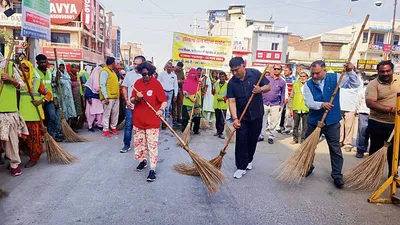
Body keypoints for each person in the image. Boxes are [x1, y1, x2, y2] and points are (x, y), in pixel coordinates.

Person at [303, 60, 360, 188]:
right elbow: (309, 103)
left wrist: (350, 70)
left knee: (335, 149)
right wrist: (321, 104)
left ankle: (337, 175)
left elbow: (354, 83)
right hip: (315, 122)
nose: (315, 76)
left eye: (317, 73)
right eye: (312, 73)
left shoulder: (335, 78)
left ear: (324, 70)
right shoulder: (307, 85)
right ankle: (307, 166)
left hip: (332, 121)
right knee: (308, 147)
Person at [227, 57, 271, 179]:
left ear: (243, 66)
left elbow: (268, 86)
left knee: (252, 139)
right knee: (241, 141)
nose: (235, 73)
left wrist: (260, 89)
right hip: (242, 117)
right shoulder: (231, 83)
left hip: (257, 114)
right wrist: (235, 119)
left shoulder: (255, 73)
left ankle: (249, 160)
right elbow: (231, 102)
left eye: (237, 70)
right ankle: (241, 167)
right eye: (232, 71)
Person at [130, 62, 167, 182]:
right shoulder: (137, 83)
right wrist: (137, 98)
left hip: (152, 121)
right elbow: (132, 100)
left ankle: (153, 169)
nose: (146, 76)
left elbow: (164, 101)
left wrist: (161, 110)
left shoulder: (156, 84)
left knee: (152, 145)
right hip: (138, 120)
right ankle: (143, 161)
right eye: (143, 74)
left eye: (148, 73)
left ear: (152, 73)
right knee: (140, 144)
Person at [365, 60, 400, 177]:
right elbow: (370, 103)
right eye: (382, 71)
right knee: (376, 149)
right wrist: (391, 110)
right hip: (377, 123)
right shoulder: (373, 84)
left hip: (396, 124)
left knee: (395, 151)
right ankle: (372, 175)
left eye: (388, 71)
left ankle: (393, 174)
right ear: (378, 72)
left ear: (392, 71)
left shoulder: (399, 80)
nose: (385, 73)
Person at [19, 60, 52, 168]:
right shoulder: (18, 82)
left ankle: (34, 158)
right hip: (20, 115)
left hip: (34, 116)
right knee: (18, 139)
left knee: (34, 139)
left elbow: (48, 94)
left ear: (31, 69)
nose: (24, 71)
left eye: (26, 68)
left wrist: (40, 101)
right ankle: (16, 160)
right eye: (22, 68)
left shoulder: (37, 81)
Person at [0, 56, 28, 175]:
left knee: (11, 140)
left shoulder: (9, 66)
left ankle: (14, 164)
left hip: (8, 111)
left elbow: (22, 85)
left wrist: (10, 79)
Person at [34, 54, 63, 142]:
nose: (43, 64)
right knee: (40, 119)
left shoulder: (50, 72)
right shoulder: (34, 72)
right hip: (39, 100)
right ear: (37, 63)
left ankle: (50, 136)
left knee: (52, 117)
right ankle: (40, 137)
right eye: (41, 63)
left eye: (44, 62)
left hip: (49, 99)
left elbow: (53, 85)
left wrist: (57, 78)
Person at [120, 55, 145, 153]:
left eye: (138, 64)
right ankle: (126, 144)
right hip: (130, 105)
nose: (135, 66)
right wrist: (126, 100)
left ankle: (141, 145)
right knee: (129, 125)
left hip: (142, 107)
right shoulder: (129, 74)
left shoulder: (146, 76)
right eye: (134, 63)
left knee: (141, 126)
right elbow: (124, 87)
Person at [259, 64, 286, 144]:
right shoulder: (266, 79)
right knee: (262, 120)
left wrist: (281, 104)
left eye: (278, 69)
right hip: (264, 103)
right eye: (275, 68)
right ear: (273, 69)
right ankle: (261, 135)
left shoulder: (282, 82)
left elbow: (283, 93)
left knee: (274, 121)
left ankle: (271, 136)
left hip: (275, 104)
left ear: (281, 71)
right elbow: (261, 89)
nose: (276, 70)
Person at [339, 69, 362, 152]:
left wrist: (357, 107)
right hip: (340, 106)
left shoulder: (357, 82)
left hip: (351, 107)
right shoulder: (340, 80)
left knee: (349, 127)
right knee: (340, 126)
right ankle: (340, 140)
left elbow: (360, 95)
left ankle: (347, 143)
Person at [99, 57, 120, 137]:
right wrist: (105, 97)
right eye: (115, 63)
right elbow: (102, 85)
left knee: (115, 113)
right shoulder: (104, 71)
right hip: (108, 97)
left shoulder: (113, 72)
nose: (116, 64)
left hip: (115, 96)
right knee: (107, 114)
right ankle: (105, 129)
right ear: (112, 63)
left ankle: (113, 127)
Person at [355, 73, 374, 158]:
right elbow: (358, 102)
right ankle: (360, 150)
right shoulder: (363, 91)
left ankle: (373, 151)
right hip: (364, 113)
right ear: (369, 82)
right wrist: (360, 110)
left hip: (375, 115)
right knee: (362, 132)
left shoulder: (379, 91)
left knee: (374, 133)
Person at [53, 60, 77, 126]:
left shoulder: (67, 75)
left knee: (70, 113)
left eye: (63, 65)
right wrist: (57, 78)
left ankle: (69, 128)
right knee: (62, 113)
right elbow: (54, 85)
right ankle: (61, 128)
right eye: (60, 65)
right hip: (61, 97)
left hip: (69, 97)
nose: (61, 67)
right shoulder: (55, 74)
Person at [289, 71, 309, 144]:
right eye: (301, 76)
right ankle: (295, 138)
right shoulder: (296, 84)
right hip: (296, 107)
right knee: (295, 125)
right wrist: (291, 108)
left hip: (306, 108)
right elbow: (291, 97)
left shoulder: (310, 85)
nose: (302, 78)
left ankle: (303, 139)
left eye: (304, 76)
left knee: (305, 126)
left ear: (307, 77)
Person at [157, 62, 178, 129]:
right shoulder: (161, 74)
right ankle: (162, 120)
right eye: (168, 67)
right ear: (166, 67)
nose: (169, 68)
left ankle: (165, 122)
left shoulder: (174, 75)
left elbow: (176, 85)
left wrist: (176, 94)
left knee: (167, 108)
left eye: (170, 67)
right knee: (163, 107)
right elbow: (157, 83)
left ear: (172, 68)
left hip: (170, 92)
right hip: (163, 92)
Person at [182, 68, 202, 134]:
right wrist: (191, 98)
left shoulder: (198, 82)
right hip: (187, 103)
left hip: (196, 104)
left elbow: (200, 91)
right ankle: (185, 131)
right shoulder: (186, 81)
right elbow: (184, 92)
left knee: (197, 118)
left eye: (194, 73)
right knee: (186, 119)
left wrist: (201, 84)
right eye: (192, 73)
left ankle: (196, 130)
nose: (193, 75)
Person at [85, 66, 104, 132]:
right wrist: (88, 97)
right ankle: (90, 126)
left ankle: (99, 125)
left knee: (100, 113)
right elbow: (87, 90)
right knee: (91, 114)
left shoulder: (102, 79)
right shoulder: (91, 80)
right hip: (92, 99)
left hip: (99, 99)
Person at [279, 66, 295, 134]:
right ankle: (280, 126)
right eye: (284, 70)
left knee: (288, 114)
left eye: (286, 70)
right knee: (280, 113)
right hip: (282, 97)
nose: (285, 72)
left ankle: (288, 128)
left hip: (290, 98)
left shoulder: (294, 79)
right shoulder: (282, 79)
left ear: (290, 71)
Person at [69, 64, 85, 130]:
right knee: (73, 111)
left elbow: (82, 84)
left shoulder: (78, 76)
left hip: (79, 95)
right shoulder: (69, 76)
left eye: (77, 68)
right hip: (72, 96)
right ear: (71, 68)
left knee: (79, 111)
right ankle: (72, 125)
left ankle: (77, 124)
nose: (76, 70)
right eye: (75, 68)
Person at [213, 71, 228, 139]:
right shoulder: (216, 84)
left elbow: (228, 95)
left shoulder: (227, 85)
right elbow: (213, 93)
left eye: (223, 77)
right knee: (217, 119)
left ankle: (221, 132)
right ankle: (217, 131)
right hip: (216, 105)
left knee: (222, 120)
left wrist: (222, 99)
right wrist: (213, 88)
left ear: (225, 77)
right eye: (220, 77)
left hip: (223, 105)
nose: (221, 78)